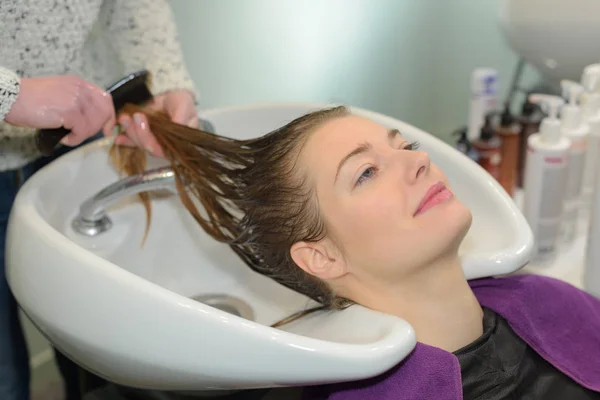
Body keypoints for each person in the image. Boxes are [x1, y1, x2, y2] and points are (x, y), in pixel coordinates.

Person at [110, 104, 600, 400]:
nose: (418, 161)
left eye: (403, 146)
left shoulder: (551, 303)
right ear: (322, 257)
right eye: (365, 172)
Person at [0, 1, 199, 399]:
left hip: (77, 130)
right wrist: (8, 96)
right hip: (47, 117)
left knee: (92, 344)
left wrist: (167, 77)